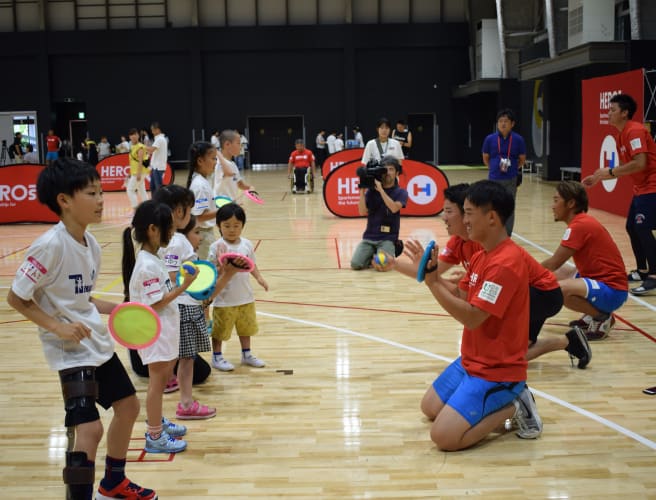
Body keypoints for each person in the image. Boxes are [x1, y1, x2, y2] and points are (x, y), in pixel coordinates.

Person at [6, 158, 157, 499]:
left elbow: (82, 299)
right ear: (64, 200)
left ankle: (113, 481)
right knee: (87, 429)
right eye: (92, 193)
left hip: (95, 343)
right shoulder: (50, 245)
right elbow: (16, 297)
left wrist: (117, 309)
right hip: (70, 352)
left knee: (129, 406)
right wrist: (56, 327)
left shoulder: (89, 244)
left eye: (102, 191)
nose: (102, 199)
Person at [383, 183, 589, 369]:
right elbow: (439, 279)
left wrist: (436, 280)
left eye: (449, 211)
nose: (443, 217)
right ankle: (568, 341)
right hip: (523, 292)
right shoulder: (459, 243)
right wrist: (396, 264)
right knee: (499, 352)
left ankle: (564, 344)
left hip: (541, 294)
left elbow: (460, 297)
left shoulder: (484, 245)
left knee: (503, 358)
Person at [416, 180, 542, 450]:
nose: (465, 220)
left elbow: (472, 317)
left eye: (469, 213)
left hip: (497, 370)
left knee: (444, 438)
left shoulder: (505, 264)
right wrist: (432, 276)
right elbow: (460, 300)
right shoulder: (480, 255)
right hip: (472, 360)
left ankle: (515, 405)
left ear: (493, 217)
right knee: (430, 408)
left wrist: (433, 283)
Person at [122, 200, 197, 454]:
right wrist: (185, 285)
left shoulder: (153, 258)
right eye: (170, 229)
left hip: (164, 330)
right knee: (157, 384)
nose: (173, 233)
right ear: (153, 230)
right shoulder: (146, 265)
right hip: (154, 332)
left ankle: (157, 421)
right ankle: (154, 435)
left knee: (163, 378)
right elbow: (157, 302)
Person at [582, 93, 656, 296]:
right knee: (632, 227)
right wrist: (599, 177)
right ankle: (642, 270)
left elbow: (640, 163)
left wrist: (610, 172)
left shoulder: (635, 132)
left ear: (624, 113)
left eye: (612, 110)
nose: (609, 113)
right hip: (640, 187)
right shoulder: (619, 135)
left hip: (653, 186)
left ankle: (654, 275)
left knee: (643, 228)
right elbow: (626, 167)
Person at [153, 187, 217, 420]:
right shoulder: (179, 240)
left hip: (173, 305)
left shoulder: (162, 239)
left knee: (178, 357)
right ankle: (186, 403)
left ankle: (178, 396)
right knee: (187, 359)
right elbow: (175, 275)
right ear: (179, 211)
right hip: (183, 306)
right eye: (189, 211)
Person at [541, 181, 629, 341]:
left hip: (613, 291)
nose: (552, 206)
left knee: (559, 290)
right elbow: (555, 267)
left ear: (571, 203)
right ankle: (592, 313)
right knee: (558, 275)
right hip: (604, 283)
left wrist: (523, 274)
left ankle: (601, 316)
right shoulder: (580, 222)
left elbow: (554, 263)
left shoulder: (579, 226)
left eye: (556, 200)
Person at [208, 203, 269, 371]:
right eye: (227, 226)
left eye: (236, 225)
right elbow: (212, 272)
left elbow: (252, 265)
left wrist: (259, 278)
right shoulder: (216, 247)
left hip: (246, 297)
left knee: (246, 328)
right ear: (219, 226)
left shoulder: (247, 244)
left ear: (242, 225)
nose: (232, 230)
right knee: (220, 331)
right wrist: (221, 266)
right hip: (224, 300)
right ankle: (217, 357)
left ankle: (246, 354)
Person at [350, 155, 408, 270]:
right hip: (369, 237)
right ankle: (373, 254)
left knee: (382, 266)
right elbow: (362, 212)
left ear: (397, 173)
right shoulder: (371, 192)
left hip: (387, 238)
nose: (388, 172)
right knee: (355, 264)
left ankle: (387, 252)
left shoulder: (401, 192)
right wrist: (362, 191)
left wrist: (381, 190)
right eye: (385, 169)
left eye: (391, 169)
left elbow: (394, 208)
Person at [481, 108, 527, 236]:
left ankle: (507, 235)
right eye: (500, 121)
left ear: (512, 124)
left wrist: (512, 168)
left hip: (511, 178)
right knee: (492, 207)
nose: (503, 124)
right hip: (494, 178)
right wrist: (493, 167)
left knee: (509, 207)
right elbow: (486, 157)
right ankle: (493, 233)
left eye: (506, 121)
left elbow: (522, 159)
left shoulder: (518, 139)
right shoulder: (490, 139)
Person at [187, 141, 219, 260]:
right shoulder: (200, 185)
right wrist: (223, 211)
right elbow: (199, 216)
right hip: (203, 234)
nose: (215, 162)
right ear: (200, 161)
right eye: (213, 158)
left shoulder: (203, 180)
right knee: (210, 270)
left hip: (205, 233)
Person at [214, 129, 254, 201]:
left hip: (230, 202)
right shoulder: (219, 163)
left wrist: (249, 187)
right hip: (221, 203)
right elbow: (227, 173)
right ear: (227, 144)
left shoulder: (233, 164)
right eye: (238, 143)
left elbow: (240, 184)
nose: (241, 146)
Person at [127, 128, 149, 210]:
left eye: (135, 134)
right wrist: (130, 172)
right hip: (135, 172)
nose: (134, 136)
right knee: (142, 190)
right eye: (132, 135)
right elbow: (132, 161)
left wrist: (139, 173)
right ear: (129, 137)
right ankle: (147, 207)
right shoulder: (132, 147)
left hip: (139, 172)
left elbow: (140, 161)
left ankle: (136, 208)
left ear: (138, 135)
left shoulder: (140, 147)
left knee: (130, 190)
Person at [147, 122, 168, 195]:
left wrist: (140, 146)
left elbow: (151, 150)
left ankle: (160, 204)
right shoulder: (158, 139)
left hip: (158, 167)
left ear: (158, 130)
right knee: (153, 187)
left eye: (153, 130)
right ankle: (154, 203)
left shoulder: (160, 139)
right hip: (155, 167)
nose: (152, 132)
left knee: (158, 188)